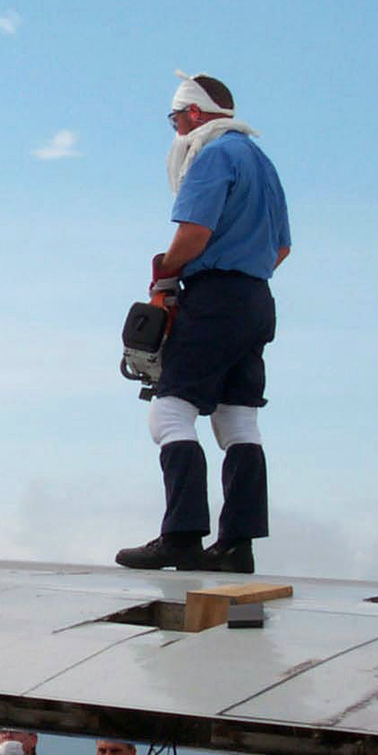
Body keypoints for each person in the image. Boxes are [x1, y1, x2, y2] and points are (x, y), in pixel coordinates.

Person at [116, 71, 291, 574]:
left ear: (193, 113)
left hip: (215, 299)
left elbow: (194, 232)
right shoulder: (261, 159)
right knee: (239, 420)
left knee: (170, 412)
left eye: (174, 119)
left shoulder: (212, 153)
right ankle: (237, 546)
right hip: (256, 299)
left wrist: (167, 272)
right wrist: (242, 277)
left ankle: (182, 537)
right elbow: (281, 247)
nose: (174, 130)